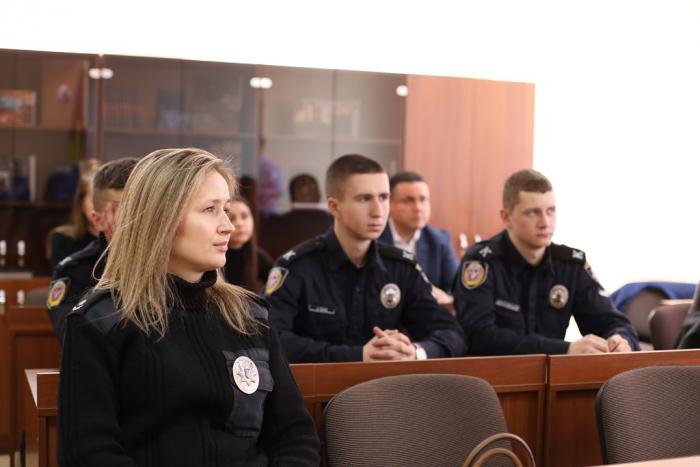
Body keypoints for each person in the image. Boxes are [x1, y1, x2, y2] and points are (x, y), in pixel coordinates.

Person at [58, 148, 320, 467]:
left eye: (226, 209)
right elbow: (90, 453)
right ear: (161, 219)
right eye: (210, 210)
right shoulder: (100, 321)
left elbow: (294, 436)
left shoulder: (250, 316)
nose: (228, 226)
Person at [264, 154, 466, 363]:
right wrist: (357, 356)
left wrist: (414, 352)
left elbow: (453, 333)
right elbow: (269, 339)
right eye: (364, 199)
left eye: (384, 197)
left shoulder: (401, 267)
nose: (378, 211)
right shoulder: (296, 266)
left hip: (386, 383)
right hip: (315, 383)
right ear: (334, 207)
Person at [453, 169, 639, 355]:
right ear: (506, 218)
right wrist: (564, 350)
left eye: (550, 211)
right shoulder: (482, 262)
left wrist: (619, 340)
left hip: (555, 373)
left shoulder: (570, 265)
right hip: (496, 372)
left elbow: (611, 321)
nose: (545, 223)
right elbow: (479, 336)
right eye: (533, 213)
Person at [46, 157, 138, 342]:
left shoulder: (172, 264)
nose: (137, 219)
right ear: (98, 219)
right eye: (124, 210)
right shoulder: (74, 270)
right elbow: (73, 338)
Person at [378, 171, 458, 305]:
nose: (418, 208)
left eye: (423, 199)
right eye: (408, 201)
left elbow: (456, 289)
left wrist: (445, 298)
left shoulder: (439, 240)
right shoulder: (374, 238)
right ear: (389, 204)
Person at [258, 173, 333, 259]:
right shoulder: (276, 224)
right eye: (301, 184)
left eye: (310, 183)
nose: (305, 187)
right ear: (292, 194)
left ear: (319, 194)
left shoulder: (333, 221)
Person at [46, 159, 101, 270]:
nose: (101, 208)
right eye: (95, 201)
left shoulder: (123, 243)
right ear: (81, 203)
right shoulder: (62, 239)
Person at [223, 195, 273, 292]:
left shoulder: (259, 257)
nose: (239, 223)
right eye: (232, 218)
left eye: (244, 216)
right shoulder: (214, 258)